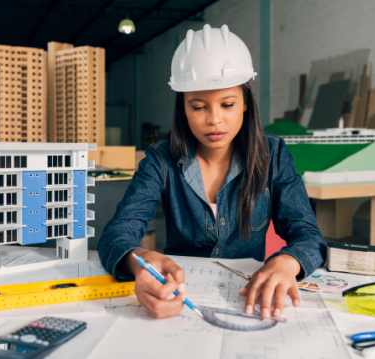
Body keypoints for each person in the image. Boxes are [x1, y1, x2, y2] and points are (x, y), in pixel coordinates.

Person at [97, 24, 327, 320]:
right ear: (183, 109)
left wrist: (286, 262)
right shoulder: (161, 160)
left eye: (227, 104)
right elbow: (117, 233)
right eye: (198, 107)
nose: (214, 119)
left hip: (247, 298)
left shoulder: (273, 155)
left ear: (245, 102)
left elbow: (309, 234)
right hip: (182, 298)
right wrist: (139, 260)